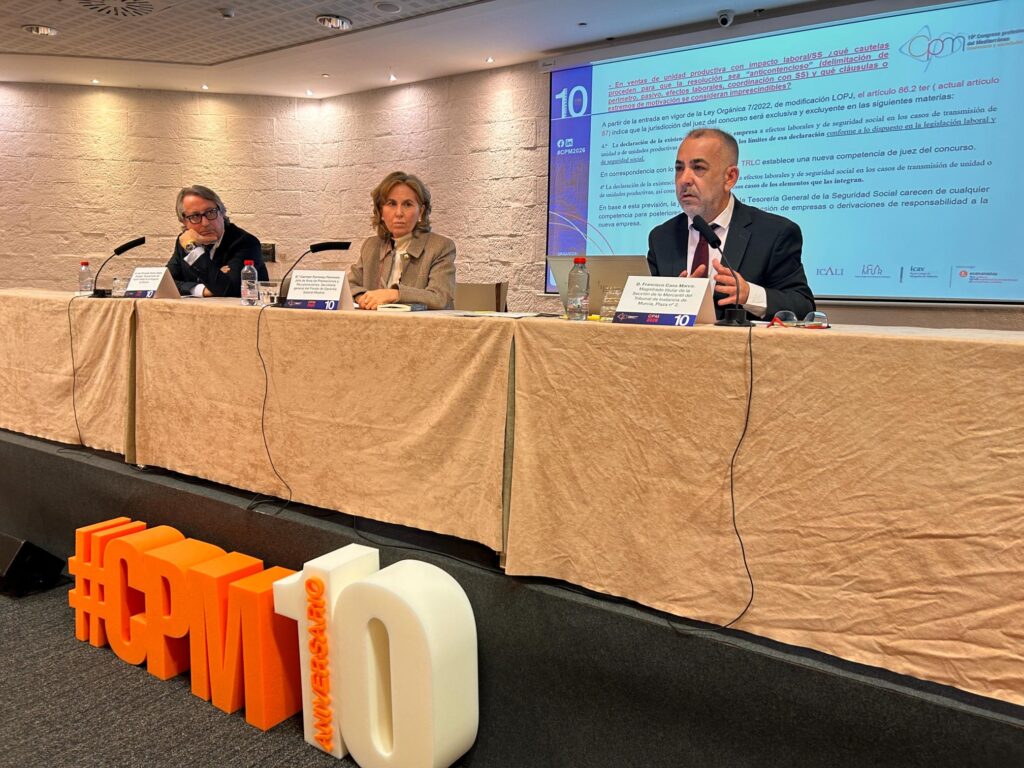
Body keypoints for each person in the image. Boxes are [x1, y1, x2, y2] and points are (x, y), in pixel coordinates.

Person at [647, 128, 815, 320]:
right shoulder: (662, 237)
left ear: (730, 177)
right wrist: (668, 301)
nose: (684, 179)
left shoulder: (774, 233)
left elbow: (802, 307)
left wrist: (749, 294)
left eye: (698, 168)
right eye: (679, 169)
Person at [349, 171, 456, 310]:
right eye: (391, 204)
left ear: (421, 211)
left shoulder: (440, 247)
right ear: (381, 211)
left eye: (407, 204)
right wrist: (364, 299)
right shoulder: (371, 246)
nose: (399, 213)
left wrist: (393, 294)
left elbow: (440, 297)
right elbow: (348, 286)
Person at [167, 185, 267, 297]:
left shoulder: (245, 242)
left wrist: (193, 250)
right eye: (195, 216)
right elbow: (164, 283)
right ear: (184, 222)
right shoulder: (184, 241)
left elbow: (228, 289)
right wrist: (202, 289)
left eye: (210, 212)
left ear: (222, 213)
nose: (205, 223)